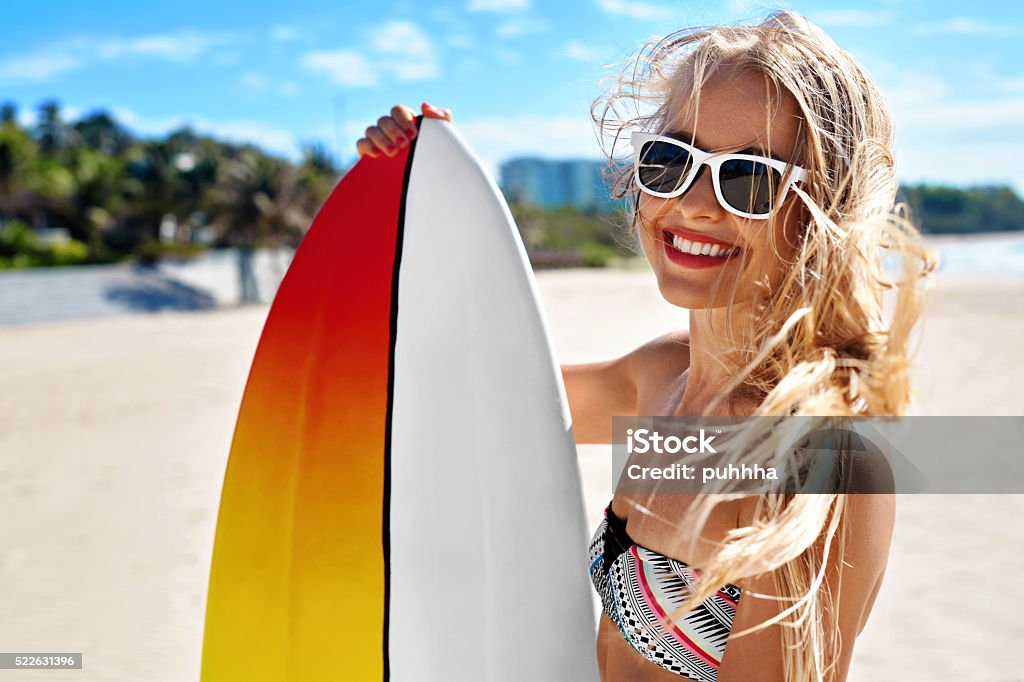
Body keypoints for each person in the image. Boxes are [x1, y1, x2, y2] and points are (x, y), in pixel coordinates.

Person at [356, 11, 933, 682]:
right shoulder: (659, 379)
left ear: (825, 211)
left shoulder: (816, 462)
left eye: (749, 178)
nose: (691, 204)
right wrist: (419, 188)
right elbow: (461, 395)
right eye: (671, 161)